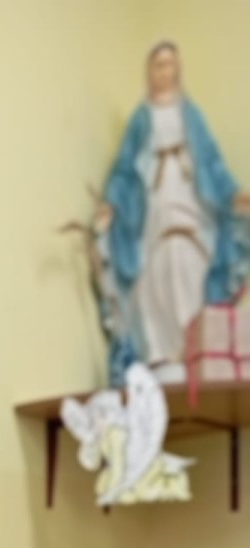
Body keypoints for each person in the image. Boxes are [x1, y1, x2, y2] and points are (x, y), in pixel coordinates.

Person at [95, 40, 250, 382]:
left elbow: (211, 161)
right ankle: (162, 352)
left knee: (190, 258)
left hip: (189, 193)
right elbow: (124, 169)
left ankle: (193, 347)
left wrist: (232, 194)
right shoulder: (141, 118)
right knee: (156, 265)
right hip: (153, 201)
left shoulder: (191, 115)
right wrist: (111, 203)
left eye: (170, 65)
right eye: (159, 65)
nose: (165, 72)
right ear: (149, 71)